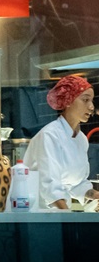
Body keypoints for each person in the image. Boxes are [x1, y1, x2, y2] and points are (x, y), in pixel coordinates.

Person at [23, 75, 99, 210]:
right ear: (68, 100)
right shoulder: (50, 136)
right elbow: (50, 186)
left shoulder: (81, 139)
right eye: (85, 100)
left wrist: (95, 195)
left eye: (91, 101)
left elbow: (77, 184)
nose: (91, 106)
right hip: (38, 214)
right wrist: (68, 218)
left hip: (60, 214)